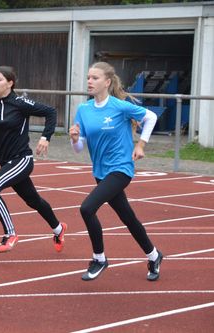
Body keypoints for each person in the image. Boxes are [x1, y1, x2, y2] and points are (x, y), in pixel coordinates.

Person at [69, 61, 163, 281]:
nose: (89, 81)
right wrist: (75, 139)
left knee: (87, 208)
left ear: (107, 82)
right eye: (88, 77)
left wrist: (140, 144)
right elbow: (78, 149)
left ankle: (99, 259)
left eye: (95, 78)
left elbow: (151, 117)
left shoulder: (119, 106)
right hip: (100, 172)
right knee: (127, 217)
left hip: (121, 169)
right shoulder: (83, 110)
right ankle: (154, 255)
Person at [0, 65, 67, 253]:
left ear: (10, 83)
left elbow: (51, 112)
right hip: (6, 162)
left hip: (22, 159)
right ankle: (59, 229)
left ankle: (10, 234)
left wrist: (46, 137)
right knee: (33, 200)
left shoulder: (20, 103)